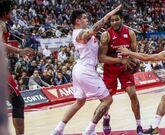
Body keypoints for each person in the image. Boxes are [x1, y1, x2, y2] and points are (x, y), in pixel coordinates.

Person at [51, 5, 122, 135]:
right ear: (78, 21)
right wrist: (107, 16)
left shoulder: (84, 34)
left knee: (80, 102)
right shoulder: (79, 33)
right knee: (107, 100)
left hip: (81, 69)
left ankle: (58, 130)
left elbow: (98, 52)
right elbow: (90, 32)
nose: (87, 19)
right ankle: (89, 131)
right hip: (86, 70)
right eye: (84, 18)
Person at [98, 11, 143, 135]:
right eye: (112, 20)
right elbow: (101, 58)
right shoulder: (106, 35)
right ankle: (106, 117)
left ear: (122, 19)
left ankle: (139, 126)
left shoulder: (130, 33)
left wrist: (136, 62)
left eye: (116, 19)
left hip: (125, 69)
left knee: (133, 95)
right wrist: (120, 60)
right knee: (106, 99)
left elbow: (134, 54)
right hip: (110, 69)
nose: (114, 22)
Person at [0, 1, 35, 135]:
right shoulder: (1, 23)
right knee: (18, 102)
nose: (11, 13)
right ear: (4, 12)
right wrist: (20, 51)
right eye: (10, 11)